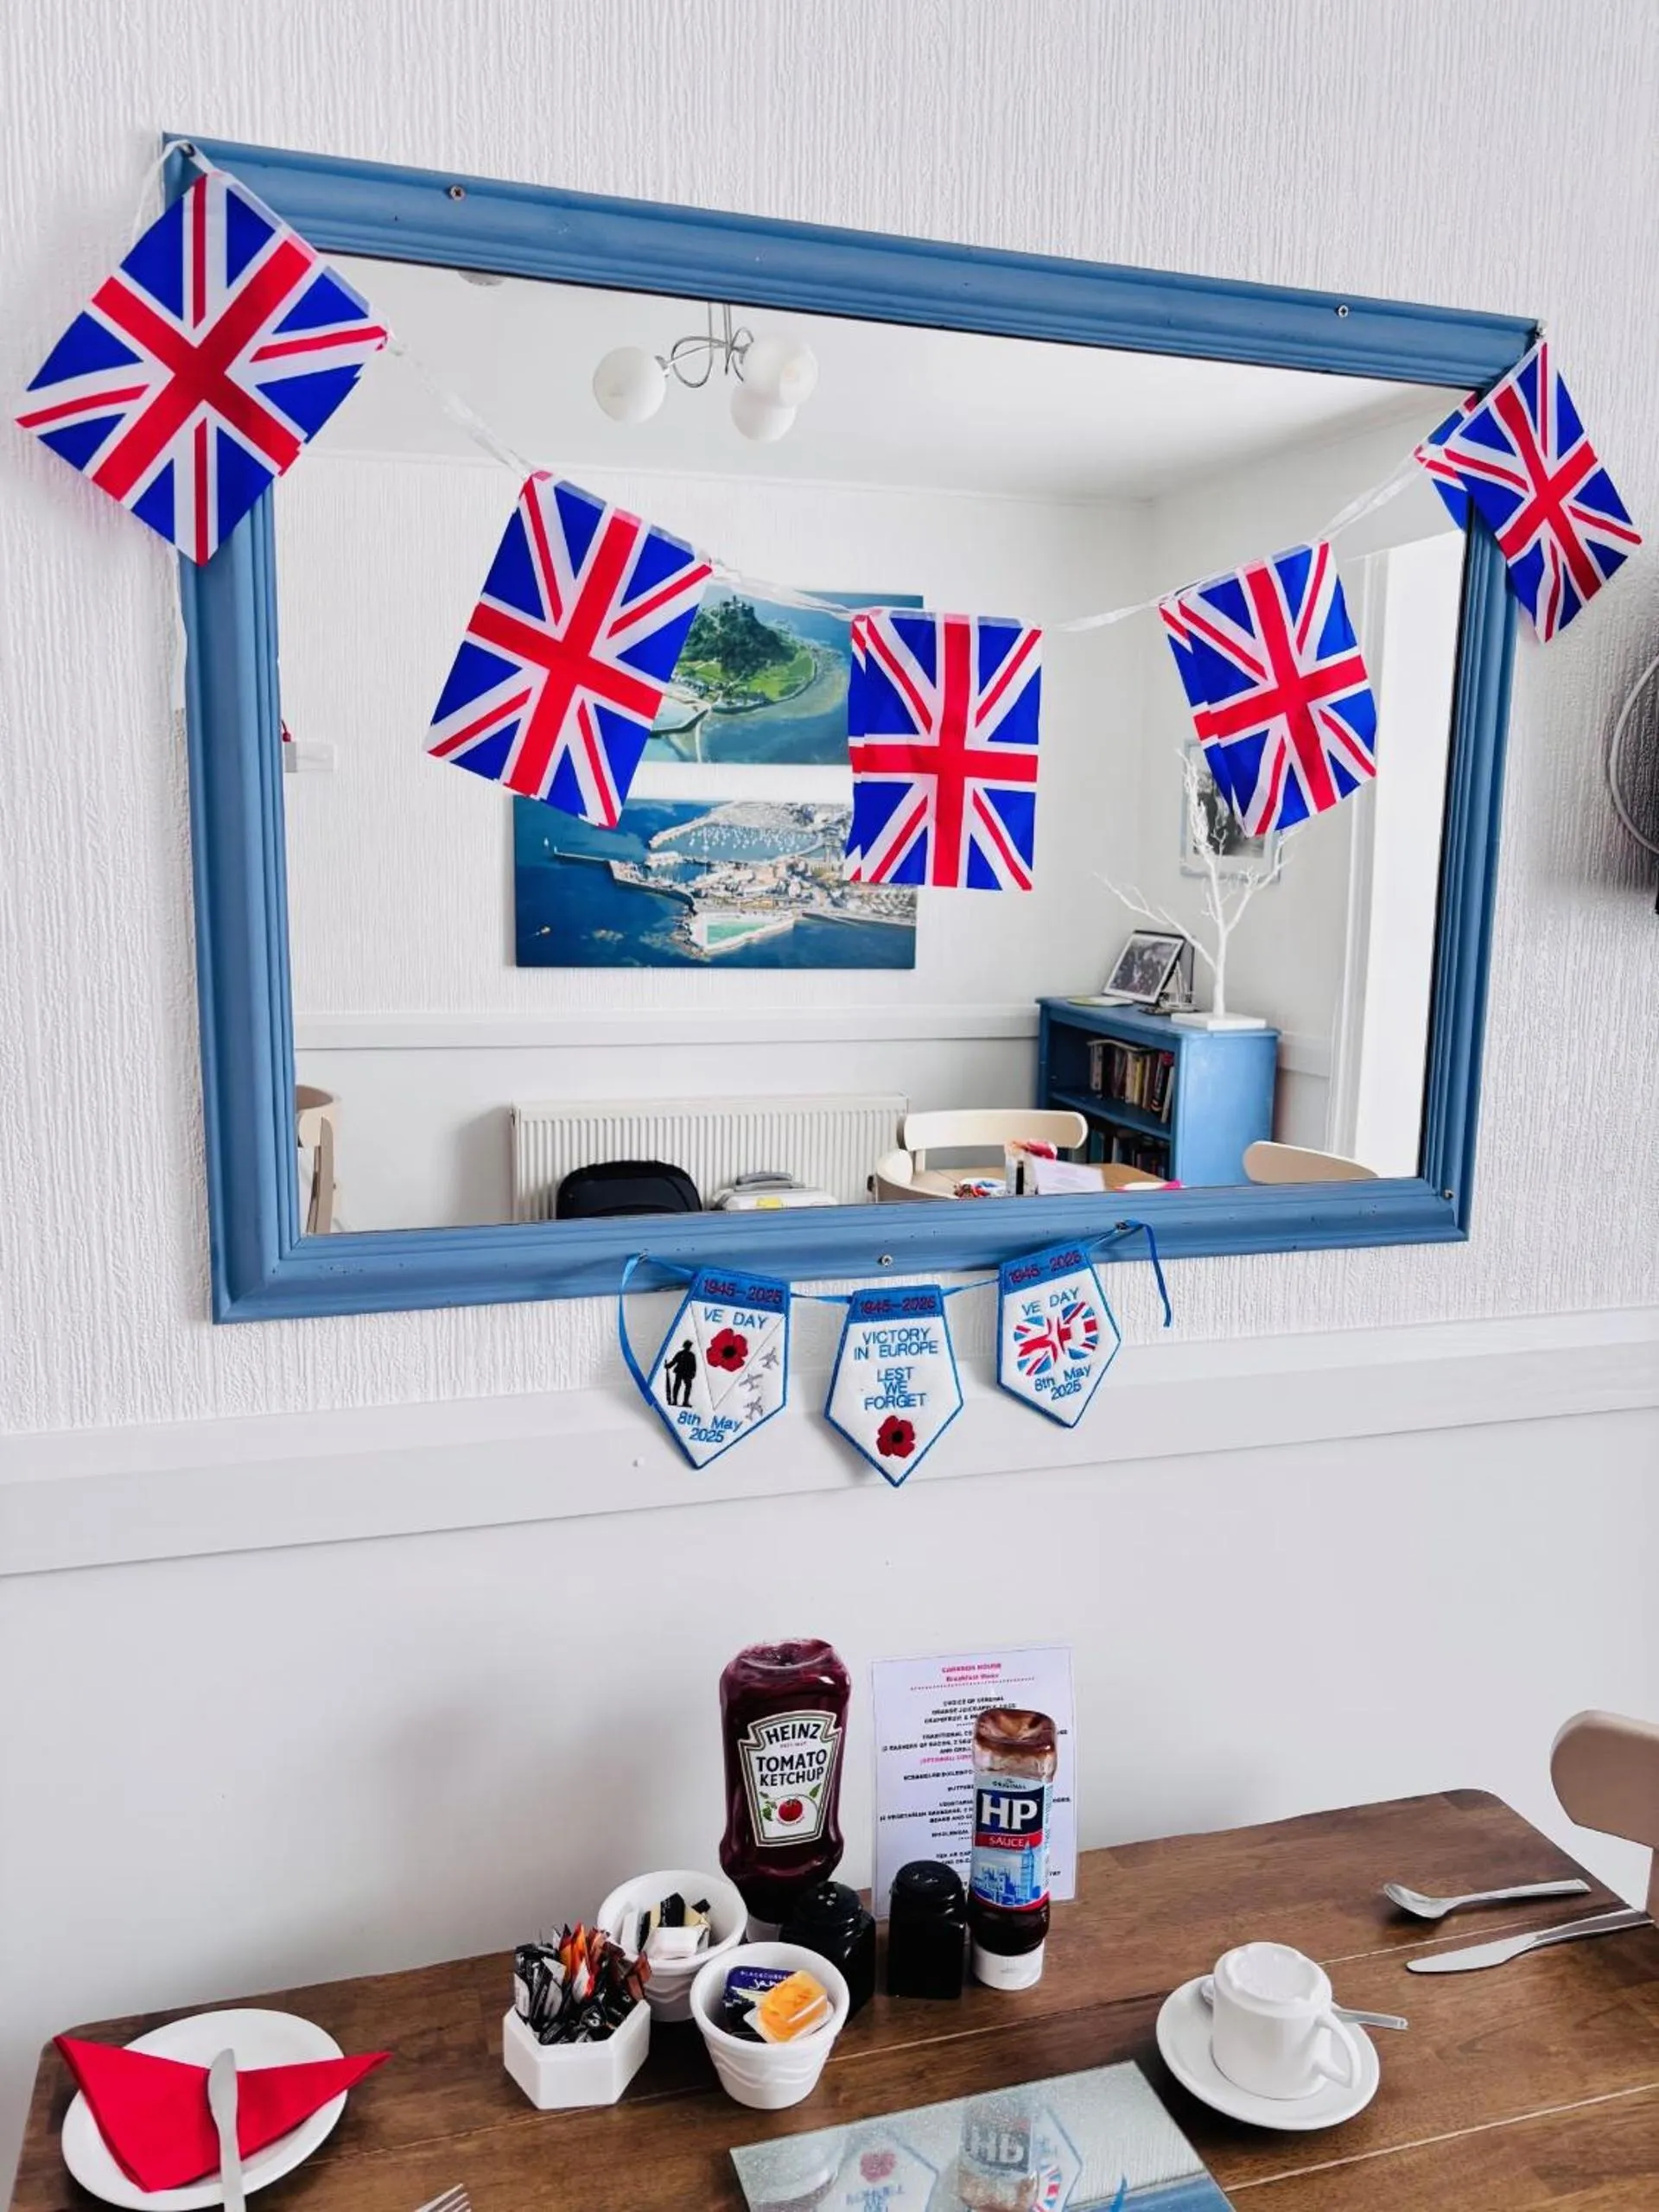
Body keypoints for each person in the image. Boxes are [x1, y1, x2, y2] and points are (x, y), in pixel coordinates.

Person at [664, 1338, 699, 1406]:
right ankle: (675, 1401)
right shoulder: (680, 1354)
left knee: (688, 1386)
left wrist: (693, 1373)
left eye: (689, 1346)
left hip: (688, 1373)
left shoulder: (692, 1355)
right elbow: (674, 1361)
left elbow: (694, 1366)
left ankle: (685, 1402)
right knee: (677, 1386)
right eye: (687, 1345)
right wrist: (668, 1366)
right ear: (685, 1346)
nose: (688, 1347)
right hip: (680, 1372)